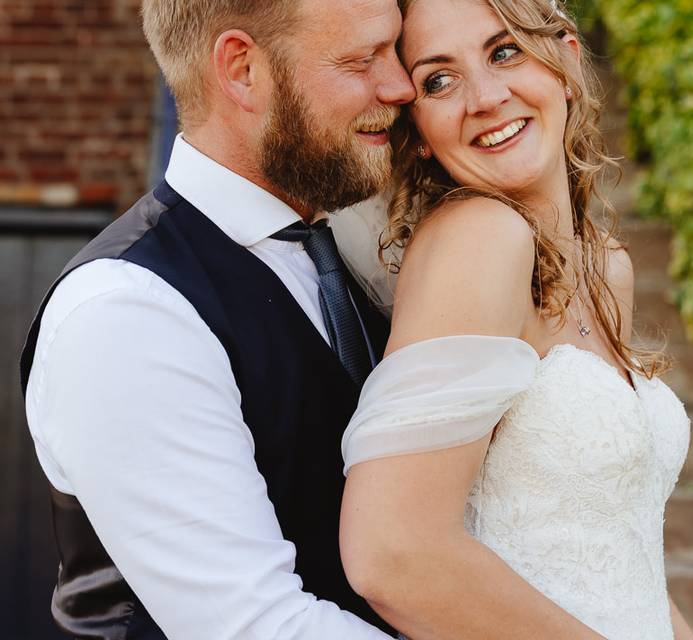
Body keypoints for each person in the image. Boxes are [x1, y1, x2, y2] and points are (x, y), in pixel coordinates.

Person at [20, 1, 415, 637]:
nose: (401, 86)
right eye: (361, 60)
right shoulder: (126, 311)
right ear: (242, 70)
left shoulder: (355, 249)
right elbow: (251, 624)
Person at [339, 0, 693, 639]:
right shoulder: (478, 239)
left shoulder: (607, 266)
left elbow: (622, 550)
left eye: (504, 51)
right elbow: (393, 553)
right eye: (438, 81)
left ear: (566, 60)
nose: (485, 97)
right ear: (416, 128)